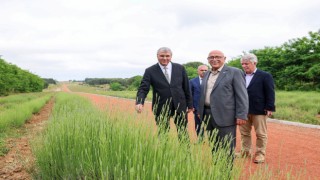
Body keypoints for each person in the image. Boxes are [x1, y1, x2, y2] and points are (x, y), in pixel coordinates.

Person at [135, 47, 193, 141]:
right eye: (162, 56)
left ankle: (186, 155)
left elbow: (186, 87)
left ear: (171, 56)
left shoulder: (180, 68)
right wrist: (139, 102)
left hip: (180, 105)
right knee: (163, 132)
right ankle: (163, 153)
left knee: (183, 132)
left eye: (167, 56)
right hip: (161, 106)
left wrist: (190, 104)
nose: (165, 58)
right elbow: (143, 88)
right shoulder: (150, 71)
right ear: (157, 56)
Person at [198, 50, 248, 155]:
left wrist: (241, 115)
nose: (214, 59)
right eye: (211, 57)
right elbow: (203, 94)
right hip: (208, 115)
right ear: (208, 60)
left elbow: (242, 95)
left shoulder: (234, 72)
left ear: (224, 59)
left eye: (217, 57)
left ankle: (226, 171)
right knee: (214, 145)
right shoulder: (207, 74)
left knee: (227, 147)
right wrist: (200, 110)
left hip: (226, 116)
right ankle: (217, 169)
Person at [239, 53, 275, 163]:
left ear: (254, 63)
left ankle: (260, 154)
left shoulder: (265, 75)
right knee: (244, 133)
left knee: (260, 133)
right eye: (243, 64)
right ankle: (245, 152)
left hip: (259, 109)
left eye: (247, 63)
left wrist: (270, 107)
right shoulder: (240, 75)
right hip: (243, 110)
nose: (244, 66)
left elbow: (270, 92)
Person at [189, 65, 208, 136]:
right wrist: (191, 106)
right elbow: (190, 94)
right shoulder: (192, 81)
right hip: (197, 108)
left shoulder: (211, 80)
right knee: (198, 125)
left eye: (205, 70)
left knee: (210, 125)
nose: (204, 72)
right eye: (202, 70)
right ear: (198, 71)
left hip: (210, 107)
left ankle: (211, 140)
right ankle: (200, 141)